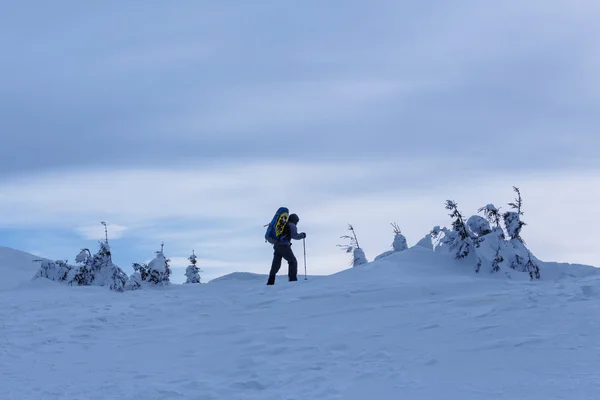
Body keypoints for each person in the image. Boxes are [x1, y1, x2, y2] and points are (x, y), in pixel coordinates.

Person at [267, 213, 306, 285]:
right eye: (297, 221)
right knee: (293, 261)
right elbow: (295, 236)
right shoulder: (291, 225)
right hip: (284, 246)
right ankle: (292, 280)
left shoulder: (283, 224)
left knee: (276, 264)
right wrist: (302, 235)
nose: (297, 223)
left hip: (277, 245)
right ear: (294, 220)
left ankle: (270, 282)